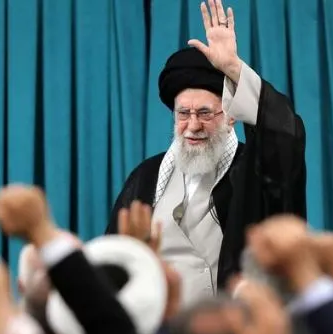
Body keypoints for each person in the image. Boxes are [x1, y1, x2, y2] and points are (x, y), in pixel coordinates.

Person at [106, 0, 306, 307]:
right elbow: (114, 260)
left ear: (231, 115)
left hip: (233, 327)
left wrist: (234, 70)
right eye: (183, 114)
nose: (193, 125)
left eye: (205, 113)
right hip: (163, 330)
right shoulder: (146, 177)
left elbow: (285, 138)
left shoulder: (254, 169)